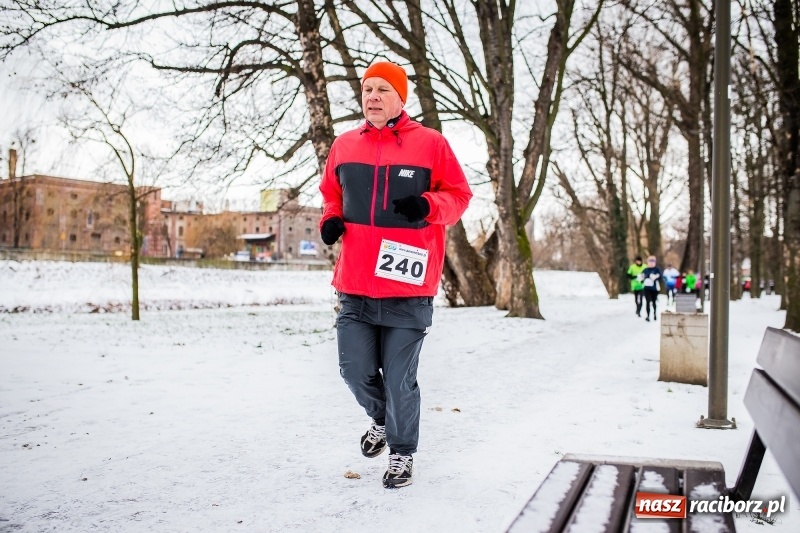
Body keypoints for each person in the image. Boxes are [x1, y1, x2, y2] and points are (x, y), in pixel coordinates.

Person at [319, 61, 472, 489]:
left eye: (382, 89)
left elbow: (459, 196)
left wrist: (428, 205)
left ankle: (402, 453)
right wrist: (330, 219)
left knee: (399, 377)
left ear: (400, 97)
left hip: (408, 285)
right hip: (355, 283)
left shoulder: (431, 144)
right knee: (353, 369)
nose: (372, 96)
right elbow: (331, 194)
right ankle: (383, 420)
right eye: (367, 89)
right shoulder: (344, 145)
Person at [642, 256, 662, 321]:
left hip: (654, 289)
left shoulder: (657, 269)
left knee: (654, 302)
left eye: (653, 261)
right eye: (650, 261)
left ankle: (655, 314)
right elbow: (641, 278)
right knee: (647, 302)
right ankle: (648, 316)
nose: (651, 263)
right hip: (646, 288)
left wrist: (655, 277)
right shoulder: (645, 270)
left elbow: (660, 278)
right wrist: (644, 278)